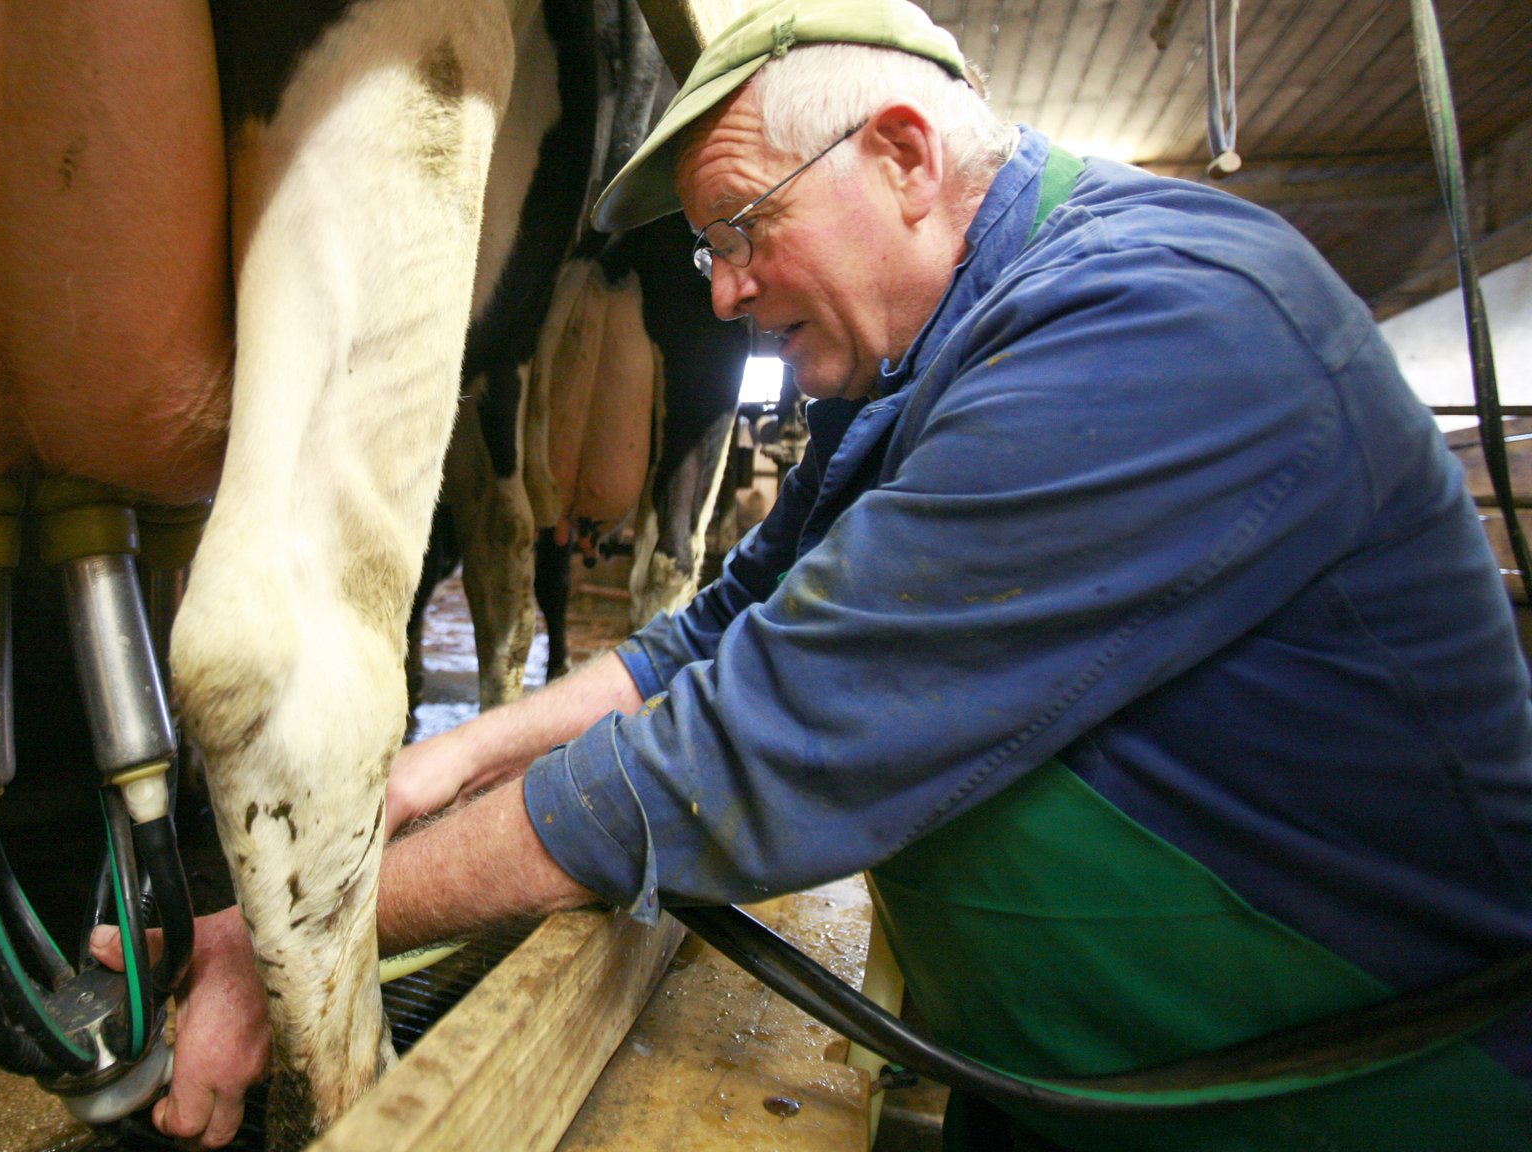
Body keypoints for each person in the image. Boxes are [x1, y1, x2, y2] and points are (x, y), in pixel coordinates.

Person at [100, 1, 1532, 1146]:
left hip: (1357, 1097)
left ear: (904, 157)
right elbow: (712, 633)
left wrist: (303, 930)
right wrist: (437, 766)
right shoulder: (914, 367)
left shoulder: (1165, 326)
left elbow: (739, 754)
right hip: (1071, 1084)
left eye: (739, 228)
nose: (719, 294)